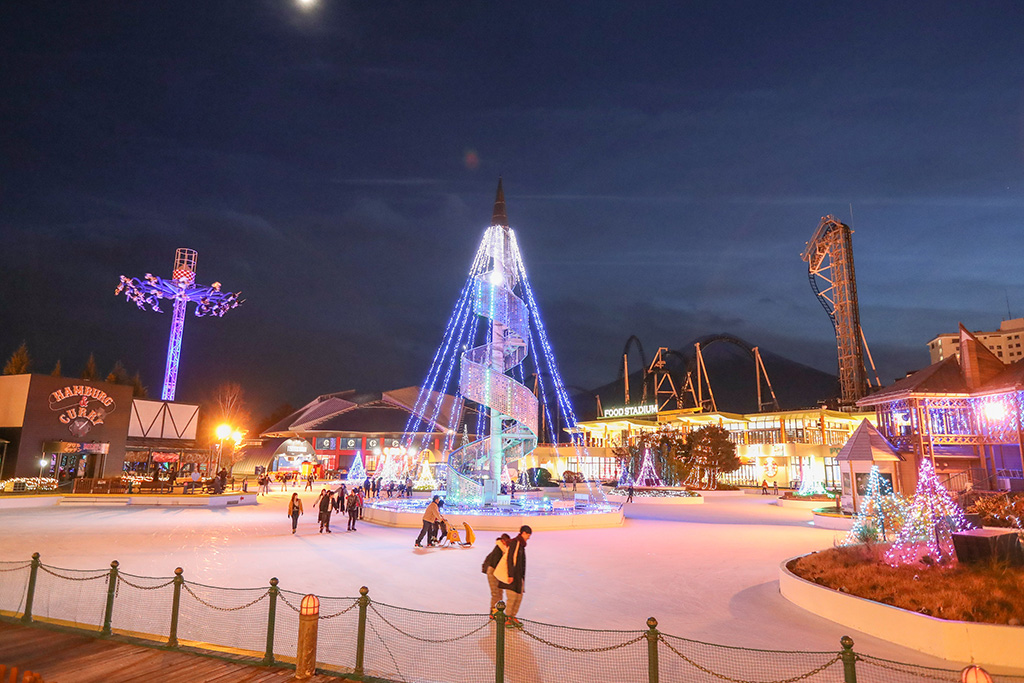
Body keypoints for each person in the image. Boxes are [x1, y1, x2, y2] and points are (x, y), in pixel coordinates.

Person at [495, 525, 531, 628]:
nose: (529, 537)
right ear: (523, 533)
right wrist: (510, 575)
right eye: (528, 535)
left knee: (519, 597)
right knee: (512, 598)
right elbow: (510, 558)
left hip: (518, 577)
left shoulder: (521, 544)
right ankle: (508, 619)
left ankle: (512, 616)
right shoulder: (515, 543)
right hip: (512, 577)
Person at [482, 534, 512, 617]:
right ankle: (493, 612)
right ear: (503, 541)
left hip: (497, 572)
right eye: (506, 542)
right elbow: (496, 564)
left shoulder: (502, 548)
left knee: (499, 592)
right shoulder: (499, 548)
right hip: (492, 572)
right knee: (495, 593)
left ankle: (498, 610)